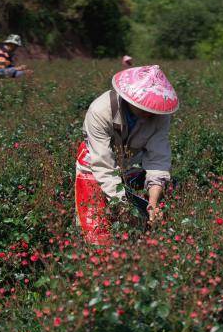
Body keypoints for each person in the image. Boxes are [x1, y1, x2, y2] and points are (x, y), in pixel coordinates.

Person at [75, 65, 178, 246]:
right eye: (145, 107)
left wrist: (153, 203)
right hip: (94, 162)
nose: (150, 113)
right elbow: (104, 165)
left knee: (172, 187)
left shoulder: (160, 115)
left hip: (129, 163)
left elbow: (158, 160)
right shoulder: (100, 110)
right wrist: (122, 205)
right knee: (96, 232)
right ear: (129, 99)